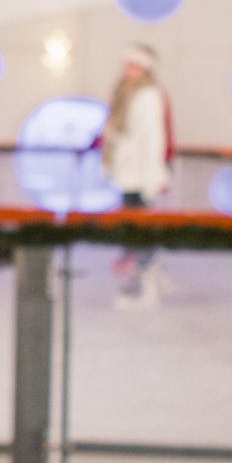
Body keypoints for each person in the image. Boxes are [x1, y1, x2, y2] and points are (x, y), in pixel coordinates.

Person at [100, 44, 174, 307]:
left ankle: (146, 283)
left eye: (132, 65)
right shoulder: (124, 95)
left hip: (141, 176)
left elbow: (154, 138)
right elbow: (117, 134)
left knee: (140, 230)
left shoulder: (149, 96)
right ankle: (141, 279)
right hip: (128, 175)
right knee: (131, 229)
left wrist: (152, 178)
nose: (126, 70)